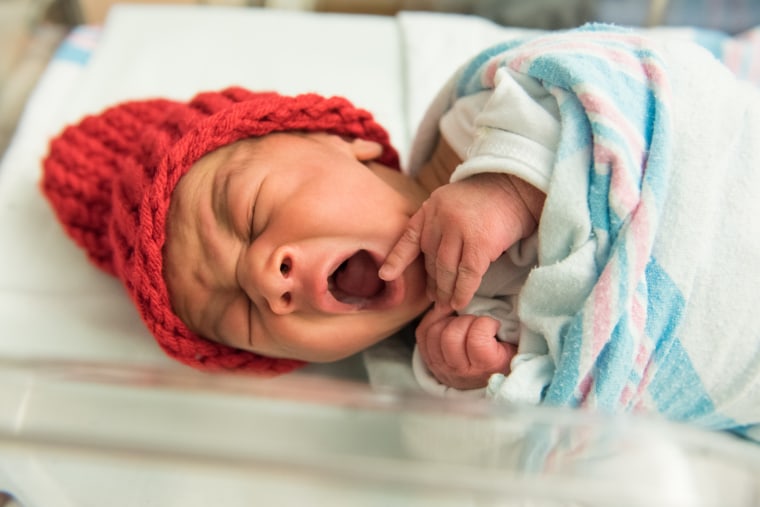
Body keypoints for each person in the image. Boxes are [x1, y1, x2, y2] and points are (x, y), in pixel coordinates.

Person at [42, 24, 760, 439]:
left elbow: (636, 85)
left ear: (337, 138)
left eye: (253, 214)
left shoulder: (489, 116)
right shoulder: (419, 372)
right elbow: (557, 447)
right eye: (243, 315)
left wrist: (510, 182)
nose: (265, 277)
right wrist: (494, 375)